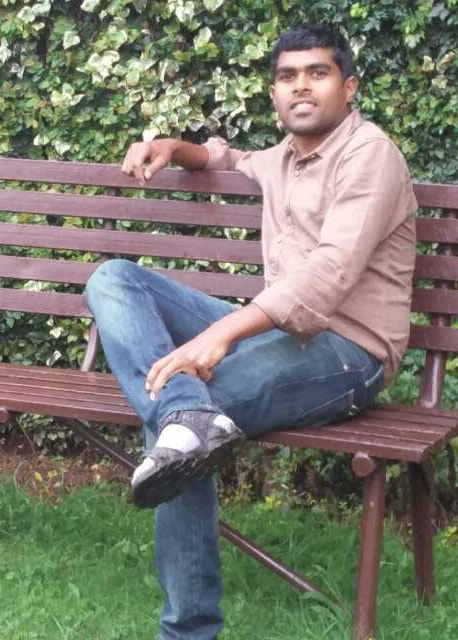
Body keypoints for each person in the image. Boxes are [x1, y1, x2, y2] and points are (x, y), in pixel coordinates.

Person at [85, 24, 417, 640]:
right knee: (114, 279)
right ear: (273, 93)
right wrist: (173, 147)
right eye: (288, 77)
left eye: (317, 73)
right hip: (276, 331)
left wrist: (224, 334)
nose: (301, 87)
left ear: (349, 87)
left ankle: (188, 631)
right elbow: (229, 158)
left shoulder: (370, 155)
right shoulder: (283, 157)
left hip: (350, 350)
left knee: (181, 429)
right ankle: (186, 414)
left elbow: (328, 275)